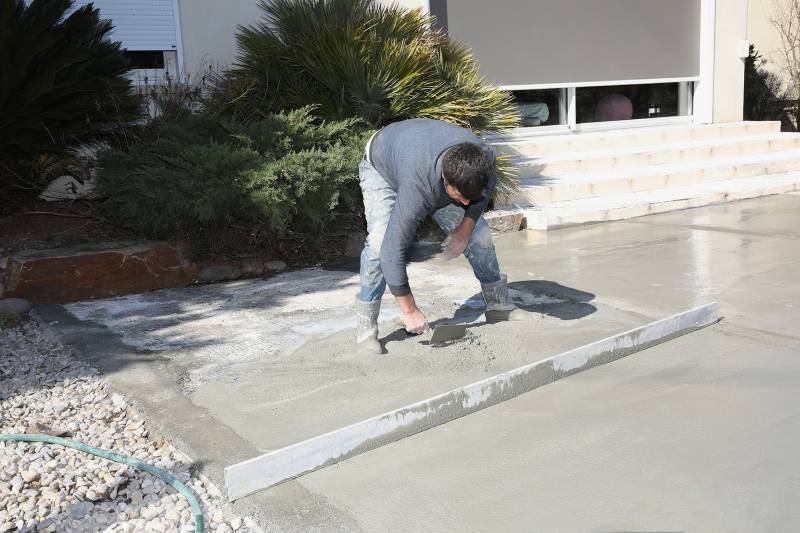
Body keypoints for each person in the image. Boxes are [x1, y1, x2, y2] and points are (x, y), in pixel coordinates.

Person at [355, 118, 523, 354]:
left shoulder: (485, 159)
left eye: (470, 198)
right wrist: (410, 310)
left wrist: (464, 230)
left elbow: (479, 197)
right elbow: (392, 250)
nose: (466, 203)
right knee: (379, 242)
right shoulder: (419, 187)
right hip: (381, 164)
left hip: (420, 154)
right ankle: (366, 330)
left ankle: (498, 304)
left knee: (480, 235)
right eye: (461, 197)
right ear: (445, 178)